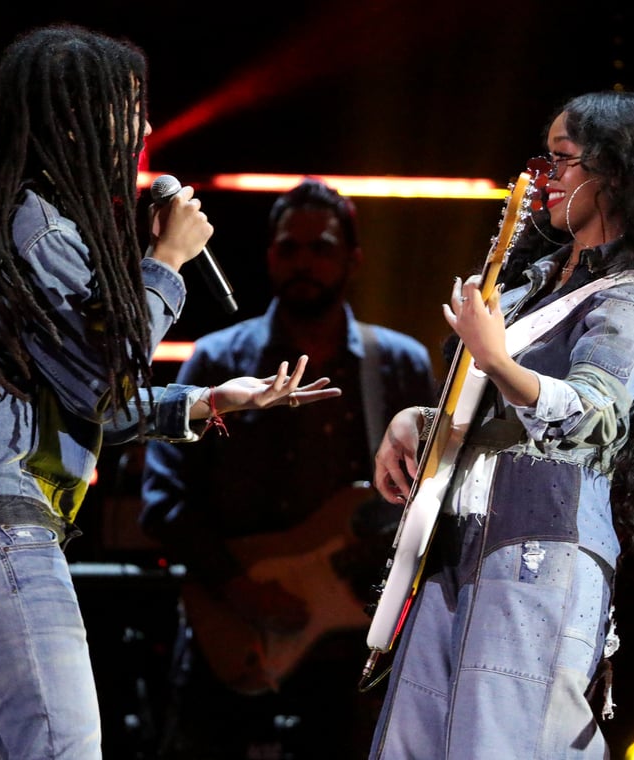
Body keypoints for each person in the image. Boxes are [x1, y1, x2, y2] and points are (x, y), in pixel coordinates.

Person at [0, 25, 341, 760]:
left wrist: (214, 400)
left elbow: (105, 398)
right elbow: (102, 379)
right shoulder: (35, 232)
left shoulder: (34, 224)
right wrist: (165, 263)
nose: (148, 128)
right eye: (131, 108)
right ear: (73, 121)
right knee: (63, 745)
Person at [368, 91, 634, 759]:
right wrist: (419, 419)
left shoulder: (630, 300)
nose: (542, 177)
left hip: (535, 555)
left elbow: (592, 416)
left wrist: (494, 356)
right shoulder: (532, 287)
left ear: (617, 174)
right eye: (543, 159)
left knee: (498, 745)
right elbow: (493, 413)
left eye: (562, 161)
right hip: (455, 551)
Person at [139, 177, 437, 758]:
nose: (304, 261)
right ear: (270, 255)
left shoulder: (399, 364)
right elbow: (165, 501)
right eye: (289, 248)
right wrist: (239, 588)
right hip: (231, 630)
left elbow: (432, 498)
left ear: (351, 259)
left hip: (356, 645)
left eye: (321, 247)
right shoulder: (217, 358)